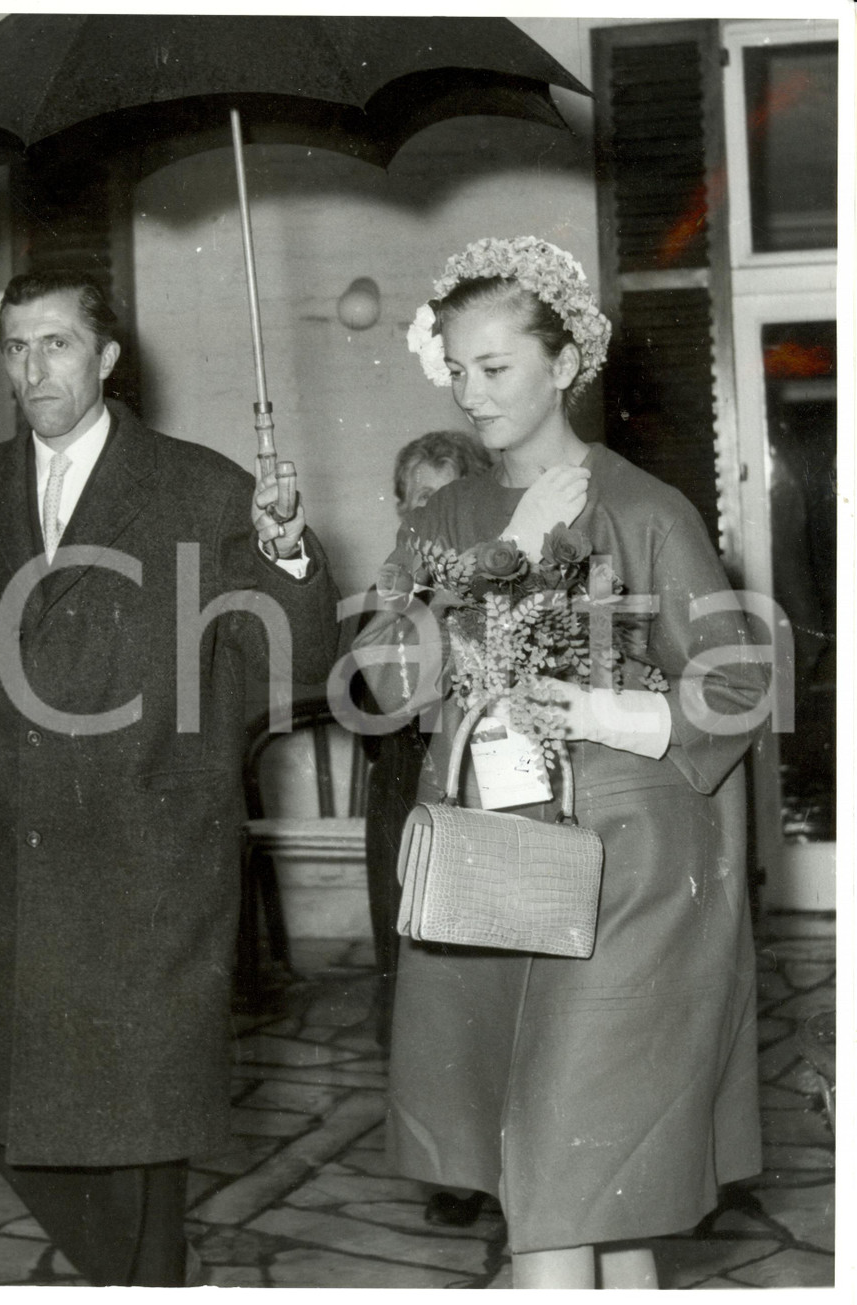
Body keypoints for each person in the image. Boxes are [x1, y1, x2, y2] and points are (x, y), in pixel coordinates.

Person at [0, 268, 340, 1287]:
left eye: (54, 344)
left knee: (139, 1140)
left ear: (107, 358)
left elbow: (297, 666)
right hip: (13, 866)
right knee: (8, 1123)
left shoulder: (203, 487)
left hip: (149, 862)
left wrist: (284, 550)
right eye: (13, 346)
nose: (31, 367)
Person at [353, 237, 767, 1288]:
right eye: (456, 366)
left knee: (556, 1172)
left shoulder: (645, 510)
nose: (470, 389)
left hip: (629, 882)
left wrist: (601, 707)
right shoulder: (442, 517)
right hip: (493, 873)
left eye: (494, 367)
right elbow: (383, 681)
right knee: (600, 1197)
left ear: (565, 363)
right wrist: (488, 560)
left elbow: (735, 686)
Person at [362, 429, 492, 1229]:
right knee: (407, 974)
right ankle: (449, 1165)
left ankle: (498, 1152)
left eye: (441, 501)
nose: (424, 518)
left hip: (483, 792)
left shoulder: (504, 585)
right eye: (413, 501)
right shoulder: (389, 593)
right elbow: (382, 693)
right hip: (404, 794)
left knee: (481, 975)